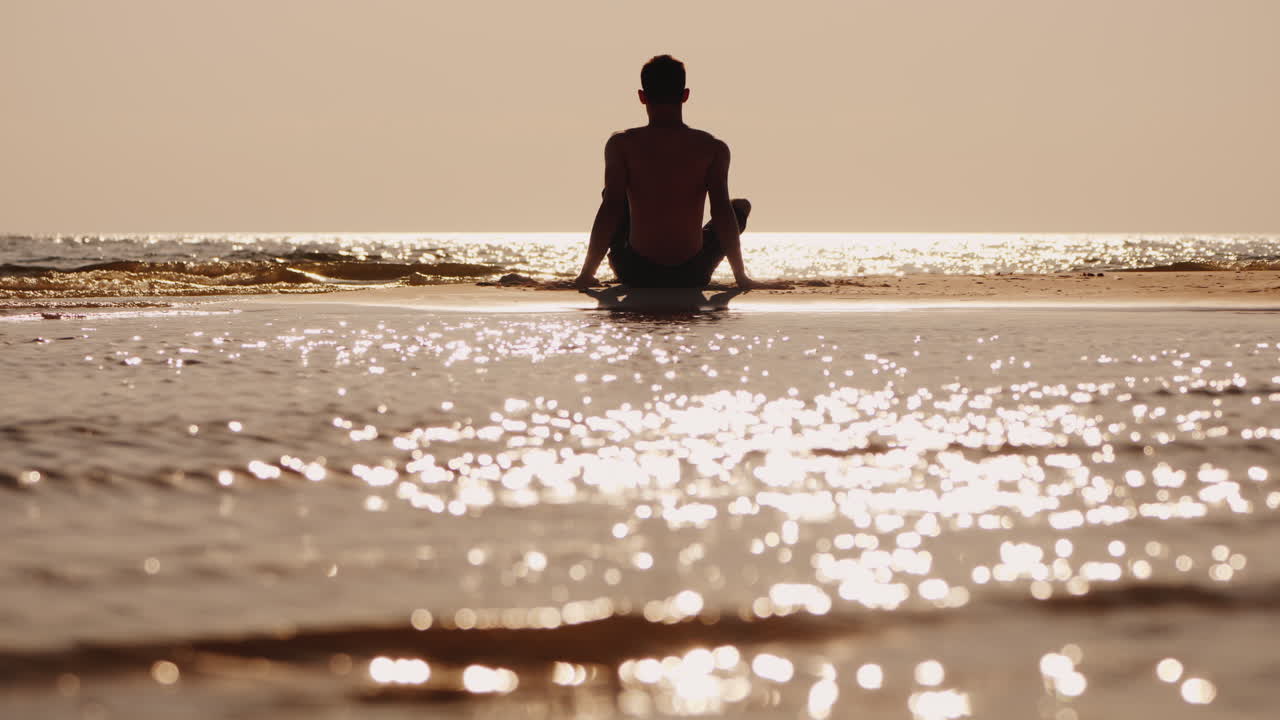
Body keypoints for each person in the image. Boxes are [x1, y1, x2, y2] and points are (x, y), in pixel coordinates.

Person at [573, 55, 783, 290]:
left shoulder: (621, 144)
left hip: (636, 271)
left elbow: (610, 209)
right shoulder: (713, 147)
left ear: (642, 97)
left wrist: (585, 275)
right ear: (685, 95)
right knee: (739, 207)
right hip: (692, 273)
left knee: (612, 194)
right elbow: (722, 211)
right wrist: (741, 277)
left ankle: (589, 272)